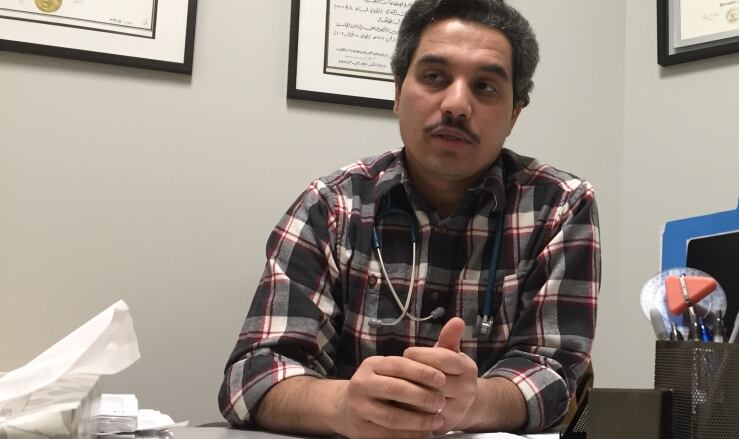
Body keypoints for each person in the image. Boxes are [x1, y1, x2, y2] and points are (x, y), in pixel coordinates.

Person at [218, 0, 600, 437]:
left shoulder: (561, 206)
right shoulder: (331, 205)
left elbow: (555, 373)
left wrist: (473, 400)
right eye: (434, 77)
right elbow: (251, 377)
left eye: (486, 86)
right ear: (398, 92)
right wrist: (342, 405)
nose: (457, 104)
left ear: (514, 113)